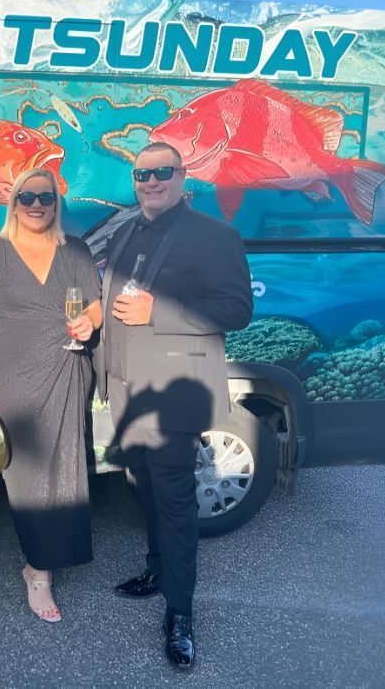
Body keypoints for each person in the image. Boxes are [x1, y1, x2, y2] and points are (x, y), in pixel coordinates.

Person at [97, 142, 253, 669]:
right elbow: (111, 300)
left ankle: (180, 614)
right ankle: (157, 568)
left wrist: (156, 311)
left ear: (183, 176)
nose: (151, 180)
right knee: (144, 488)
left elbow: (236, 309)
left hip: (172, 396)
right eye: (142, 173)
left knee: (176, 502)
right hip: (126, 389)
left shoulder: (215, 235)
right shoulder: (124, 230)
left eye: (163, 171)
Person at [0, 168, 102, 623]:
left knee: (65, 470)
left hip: (66, 371)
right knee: (24, 480)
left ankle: (41, 566)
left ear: (56, 203)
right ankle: (37, 569)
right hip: (10, 379)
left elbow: (96, 303)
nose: (36, 204)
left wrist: (92, 322)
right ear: (14, 202)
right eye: (27, 196)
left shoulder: (74, 250)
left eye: (45, 196)